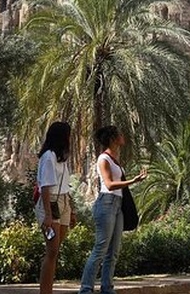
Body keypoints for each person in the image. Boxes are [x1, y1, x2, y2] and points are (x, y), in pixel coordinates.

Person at [79, 125, 148, 294]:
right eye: (119, 134)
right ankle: (86, 288)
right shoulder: (104, 159)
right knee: (101, 248)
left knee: (114, 251)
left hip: (117, 205)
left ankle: (107, 288)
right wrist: (134, 181)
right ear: (112, 138)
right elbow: (109, 185)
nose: (122, 136)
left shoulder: (115, 158)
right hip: (107, 204)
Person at [35, 121, 76, 294]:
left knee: (56, 249)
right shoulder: (49, 157)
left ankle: (48, 288)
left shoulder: (62, 158)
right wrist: (48, 215)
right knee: (51, 251)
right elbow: (45, 187)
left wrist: (71, 209)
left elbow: (64, 185)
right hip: (50, 202)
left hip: (64, 200)